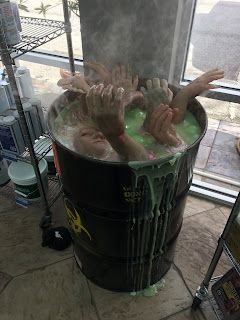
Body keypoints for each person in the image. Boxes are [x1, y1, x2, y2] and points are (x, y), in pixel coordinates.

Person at [57, 62, 224, 160]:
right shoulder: (112, 155)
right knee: (160, 126)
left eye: (90, 132)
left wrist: (121, 95)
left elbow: (173, 119)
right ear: (75, 148)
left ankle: (151, 116)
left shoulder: (126, 133)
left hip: (144, 132)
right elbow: (139, 155)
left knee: (161, 122)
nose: (95, 134)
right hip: (147, 141)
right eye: (85, 135)